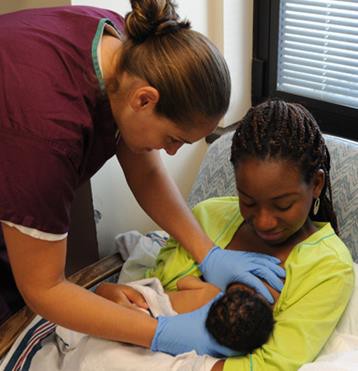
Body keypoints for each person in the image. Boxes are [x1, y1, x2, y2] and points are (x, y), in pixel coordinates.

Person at [0, 0, 285, 356]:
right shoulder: (45, 136)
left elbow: (145, 169)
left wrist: (207, 252)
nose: (171, 153)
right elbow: (44, 289)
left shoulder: (130, 48)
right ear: (145, 100)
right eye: (173, 139)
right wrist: (159, 332)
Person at [146, 99, 354, 369]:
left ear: (316, 184)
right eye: (249, 202)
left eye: (283, 205)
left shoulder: (328, 267)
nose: (264, 222)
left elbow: (273, 364)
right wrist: (206, 298)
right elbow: (157, 287)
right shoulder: (206, 216)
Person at [95, 275, 275, 354]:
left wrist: (198, 280)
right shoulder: (213, 348)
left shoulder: (211, 292)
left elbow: (183, 282)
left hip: (149, 306)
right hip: (148, 319)